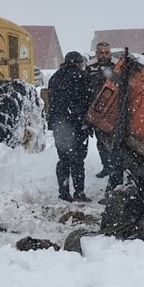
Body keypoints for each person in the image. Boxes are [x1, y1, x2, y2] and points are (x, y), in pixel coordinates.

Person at [46, 51, 96, 202]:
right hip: (77, 124)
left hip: (59, 125)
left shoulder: (55, 78)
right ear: (79, 63)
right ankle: (79, 192)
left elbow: (51, 101)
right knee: (78, 159)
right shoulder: (83, 77)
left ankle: (64, 192)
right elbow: (90, 100)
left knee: (63, 159)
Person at [86, 41, 117, 178]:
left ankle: (115, 168)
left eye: (106, 52)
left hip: (114, 108)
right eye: (101, 53)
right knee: (100, 140)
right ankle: (106, 166)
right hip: (97, 108)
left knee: (114, 140)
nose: (104, 55)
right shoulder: (90, 66)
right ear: (96, 53)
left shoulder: (116, 65)